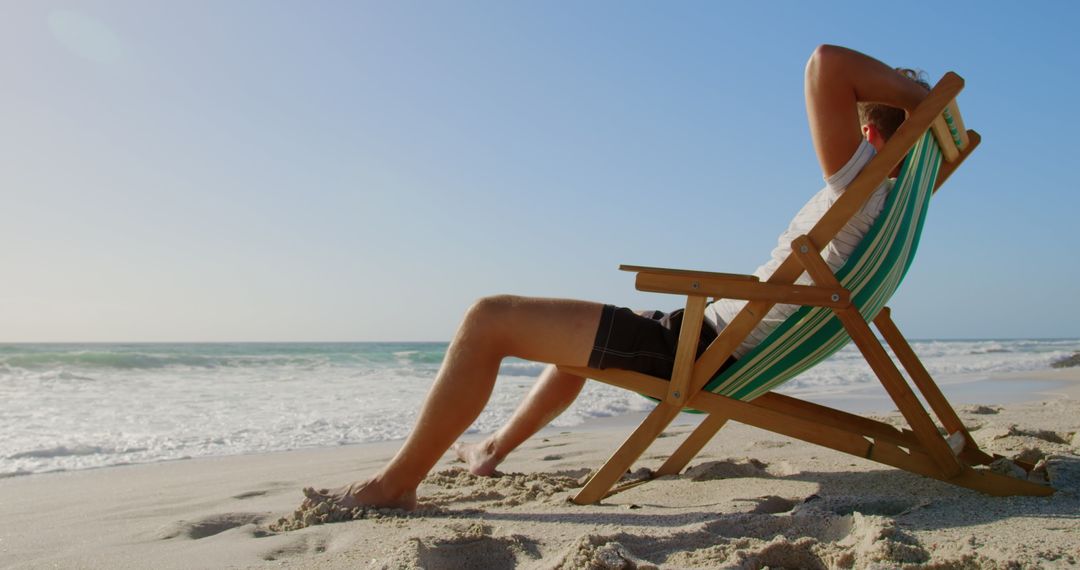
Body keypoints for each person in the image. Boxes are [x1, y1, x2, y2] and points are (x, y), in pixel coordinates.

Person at [301, 45, 931, 511]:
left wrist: (912, 97)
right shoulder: (890, 209)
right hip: (712, 336)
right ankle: (490, 448)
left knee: (488, 318)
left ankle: (394, 485)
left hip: (703, 348)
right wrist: (921, 109)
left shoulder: (860, 181)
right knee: (570, 342)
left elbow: (825, 63)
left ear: (869, 131)